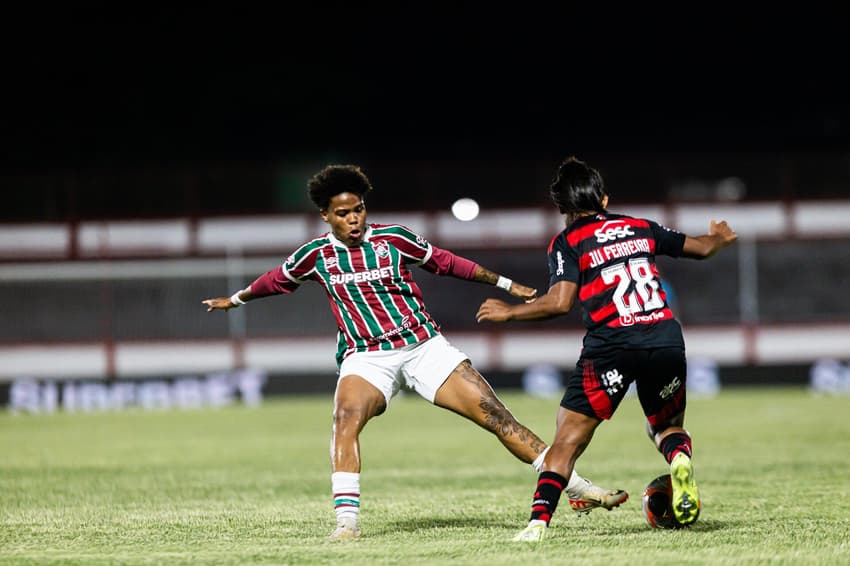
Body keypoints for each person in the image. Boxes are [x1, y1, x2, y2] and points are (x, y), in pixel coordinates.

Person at [203, 164, 628, 540]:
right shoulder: (315, 255)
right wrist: (235, 300)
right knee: (345, 417)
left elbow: (447, 262)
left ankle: (578, 488)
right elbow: (276, 280)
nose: (354, 219)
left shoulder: (394, 240)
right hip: (366, 357)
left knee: (498, 418)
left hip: (424, 347)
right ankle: (346, 523)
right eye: (343, 213)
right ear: (326, 216)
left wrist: (505, 285)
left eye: (359, 210)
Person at [476, 156, 738, 542]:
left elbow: (560, 302)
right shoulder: (639, 226)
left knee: (567, 439)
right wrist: (717, 238)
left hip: (611, 346)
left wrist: (511, 312)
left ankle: (537, 523)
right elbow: (699, 248)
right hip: (664, 337)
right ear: (604, 199)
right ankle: (679, 458)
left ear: (563, 209)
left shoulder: (567, 241)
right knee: (666, 426)